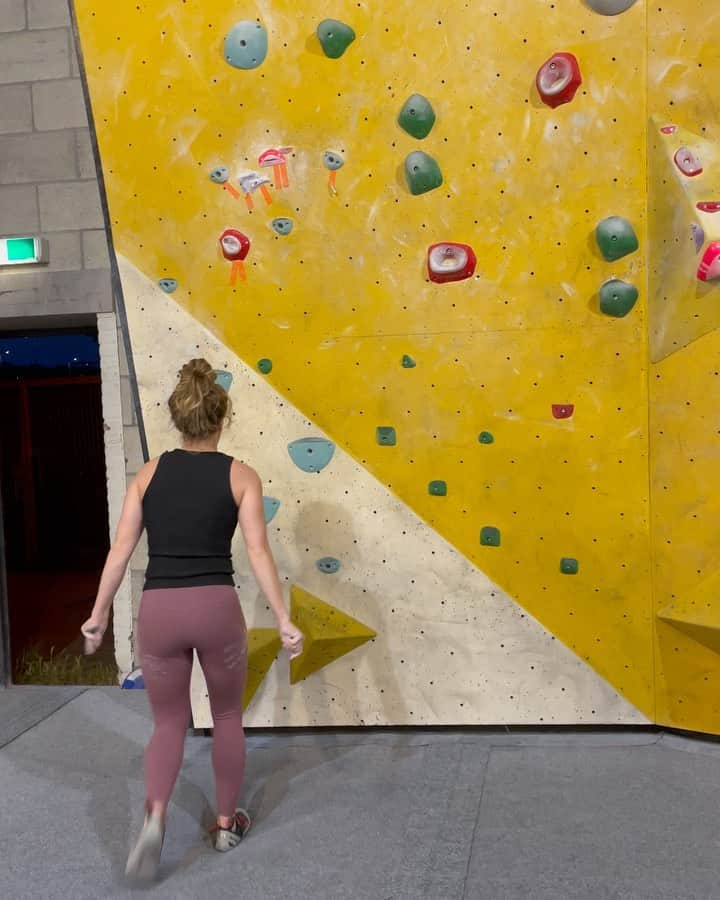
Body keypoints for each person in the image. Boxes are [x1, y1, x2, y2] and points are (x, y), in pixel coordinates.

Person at [80, 358, 304, 882]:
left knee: (167, 721)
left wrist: (97, 615)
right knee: (225, 716)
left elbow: (119, 552)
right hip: (215, 608)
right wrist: (284, 618)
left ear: (178, 420)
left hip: (160, 609)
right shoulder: (241, 475)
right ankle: (226, 824)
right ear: (222, 420)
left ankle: (155, 812)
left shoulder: (149, 473)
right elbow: (258, 553)